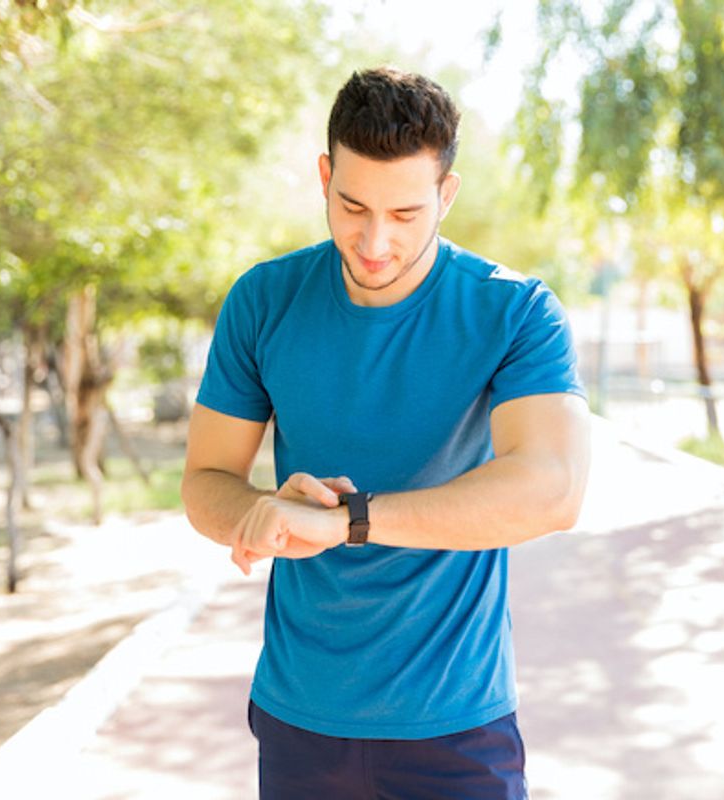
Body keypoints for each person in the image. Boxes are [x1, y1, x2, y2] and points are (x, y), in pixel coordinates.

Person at [181, 66, 591, 799]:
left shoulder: (516, 312)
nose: (373, 241)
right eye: (351, 205)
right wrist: (258, 513)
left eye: (404, 214)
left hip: (458, 723)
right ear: (324, 176)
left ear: (447, 195)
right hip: (298, 716)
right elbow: (204, 483)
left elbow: (554, 492)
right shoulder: (263, 301)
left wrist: (350, 522)